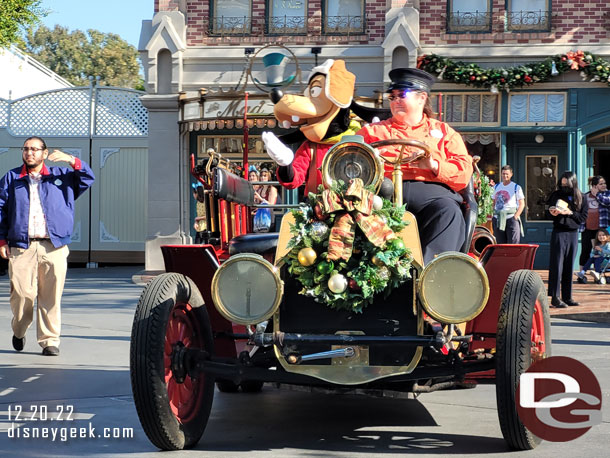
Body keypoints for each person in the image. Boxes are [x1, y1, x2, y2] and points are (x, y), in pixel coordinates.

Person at [356, 68, 473, 264]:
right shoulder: (372, 132)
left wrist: (433, 165)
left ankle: (428, 275)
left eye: (402, 95)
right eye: (392, 97)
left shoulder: (444, 132)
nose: (395, 101)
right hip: (381, 196)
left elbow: (463, 173)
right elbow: (345, 159)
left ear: (421, 98)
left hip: (433, 197)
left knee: (449, 211)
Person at [0, 137, 95, 355]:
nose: (29, 153)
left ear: (45, 153)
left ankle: (49, 340)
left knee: (51, 296)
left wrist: (71, 160)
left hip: (54, 245)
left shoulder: (61, 177)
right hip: (22, 246)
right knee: (23, 295)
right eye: (26, 149)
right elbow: (0, 210)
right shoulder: (11, 178)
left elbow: (88, 177)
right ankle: (19, 329)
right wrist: (2, 240)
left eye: (34, 149)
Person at [546, 171, 588, 308]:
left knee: (569, 265)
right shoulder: (556, 195)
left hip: (573, 233)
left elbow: (582, 218)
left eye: (567, 184)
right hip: (559, 232)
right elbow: (547, 212)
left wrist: (569, 213)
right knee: (557, 265)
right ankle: (555, 297)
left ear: (573, 183)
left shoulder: (581, 198)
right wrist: (553, 212)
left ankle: (567, 296)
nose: (564, 187)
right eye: (562, 184)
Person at [578, 176, 608, 275]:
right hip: (587, 228)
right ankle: (581, 273)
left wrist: (597, 195)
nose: (604, 185)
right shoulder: (586, 196)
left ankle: (599, 273)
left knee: (600, 251)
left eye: (604, 183)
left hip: (600, 229)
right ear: (594, 186)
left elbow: (607, 202)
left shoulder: (607, 194)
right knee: (585, 250)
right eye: (601, 184)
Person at [492, 165, 525, 243]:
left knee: (513, 244)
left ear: (511, 174)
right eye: (503, 174)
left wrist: (515, 217)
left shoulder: (516, 187)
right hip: (498, 219)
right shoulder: (496, 187)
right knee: (500, 245)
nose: (505, 176)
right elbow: (493, 202)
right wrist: (493, 214)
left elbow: (522, 204)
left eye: (507, 174)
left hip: (511, 218)